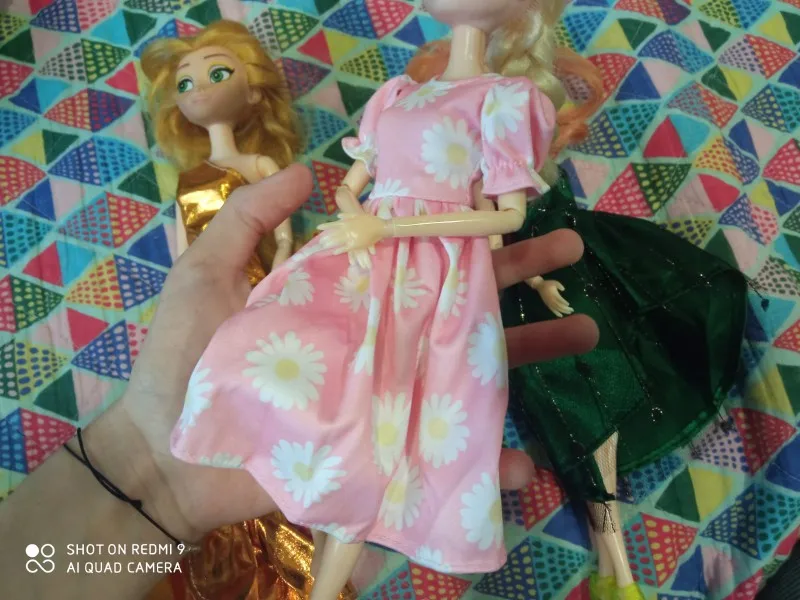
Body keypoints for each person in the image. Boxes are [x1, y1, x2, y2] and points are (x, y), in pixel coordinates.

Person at [0, 164, 598, 600]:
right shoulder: (392, 100)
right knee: (342, 404)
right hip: (361, 263)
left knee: (402, 423)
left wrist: (400, 232)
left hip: (431, 271)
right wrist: (363, 221)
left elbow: (508, 217)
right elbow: (350, 188)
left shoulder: (497, 107)